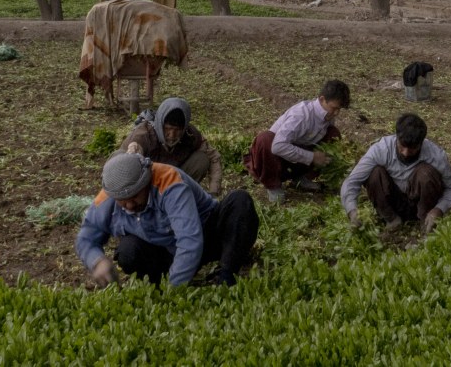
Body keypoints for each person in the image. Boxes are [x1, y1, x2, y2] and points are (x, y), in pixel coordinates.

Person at [76, 151, 258, 287]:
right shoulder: (108, 195)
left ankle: (225, 274)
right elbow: (86, 239)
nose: (129, 205)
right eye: (123, 202)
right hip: (163, 250)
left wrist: (174, 289)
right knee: (128, 251)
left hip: (205, 236)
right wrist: (97, 261)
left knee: (240, 201)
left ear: (146, 182)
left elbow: (190, 240)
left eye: (135, 197)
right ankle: (155, 284)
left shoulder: (169, 181)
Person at [340, 112, 451, 234]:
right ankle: (392, 220)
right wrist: (352, 210)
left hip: (422, 205)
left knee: (426, 173)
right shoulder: (381, 150)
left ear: (421, 143)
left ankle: (425, 222)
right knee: (374, 173)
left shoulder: (435, 155)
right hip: (392, 204)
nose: (406, 153)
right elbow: (352, 182)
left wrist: (439, 209)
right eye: (402, 146)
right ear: (396, 137)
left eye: (413, 148)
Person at [245, 79, 351, 203]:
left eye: (339, 109)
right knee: (265, 139)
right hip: (274, 159)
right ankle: (273, 185)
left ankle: (302, 178)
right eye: (334, 108)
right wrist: (312, 157)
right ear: (322, 100)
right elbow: (278, 146)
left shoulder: (328, 116)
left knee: (333, 134)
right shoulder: (301, 115)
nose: (336, 113)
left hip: (297, 156)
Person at [121, 97, 223, 194]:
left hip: (174, 180)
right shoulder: (144, 134)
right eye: (167, 129)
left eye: (177, 130)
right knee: (118, 156)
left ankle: (181, 196)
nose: (172, 135)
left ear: (184, 128)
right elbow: (132, 153)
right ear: (160, 125)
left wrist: (213, 191)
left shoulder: (190, 135)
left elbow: (214, 157)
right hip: (145, 184)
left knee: (202, 159)